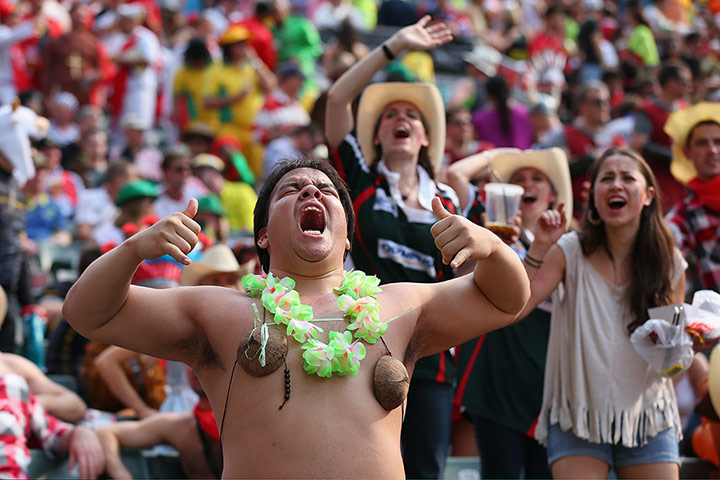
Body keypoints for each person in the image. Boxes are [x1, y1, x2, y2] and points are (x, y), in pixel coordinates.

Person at [62, 154, 530, 478]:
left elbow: (505, 300)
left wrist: (491, 247)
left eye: (326, 190)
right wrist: (134, 250)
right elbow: (87, 313)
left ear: (347, 237)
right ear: (263, 236)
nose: (312, 190)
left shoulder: (400, 306)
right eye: (293, 190)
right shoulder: (220, 309)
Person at [324, 17, 463, 479]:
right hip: (366, 349)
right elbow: (338, 100)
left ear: (425, 138)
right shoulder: (360, 183)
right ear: (377, 136)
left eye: (411, 116)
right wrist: (394, 46)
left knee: (424, 473)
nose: (401, 119)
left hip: (432, 358)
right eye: (389, 115)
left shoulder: (451, 202)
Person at [519, 147, 687, 479]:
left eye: (627, 178)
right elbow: (518, 305)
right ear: (593, 195)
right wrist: (539, 247)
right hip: (578, 416)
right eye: (606, 178)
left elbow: (670, 364)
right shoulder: (568, 249)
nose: (616, 185)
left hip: (648, 418)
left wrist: (690, 340)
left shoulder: (669, 260)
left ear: (648, 195)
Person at [445, 148, 572, 479]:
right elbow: (454, 176)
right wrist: (501, 154)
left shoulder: (571, 245)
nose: (527, 185)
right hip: (496, 385)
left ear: (553, 194)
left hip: (546, 388)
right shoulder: (489, 236)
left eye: (537, 178)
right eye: (517, 179)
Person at [96, 366, 222, 479]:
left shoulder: (239, 428)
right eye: (188, 361)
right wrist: (121, 474)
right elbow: (106, 433)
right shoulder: (182, 425)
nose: (194, 368)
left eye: (206, 360)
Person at [664, 102, 720, 296]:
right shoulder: (684, 214)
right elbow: (664, 240)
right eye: (702, 143)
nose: (712, 150)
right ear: (687, 153)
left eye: (718, 142)